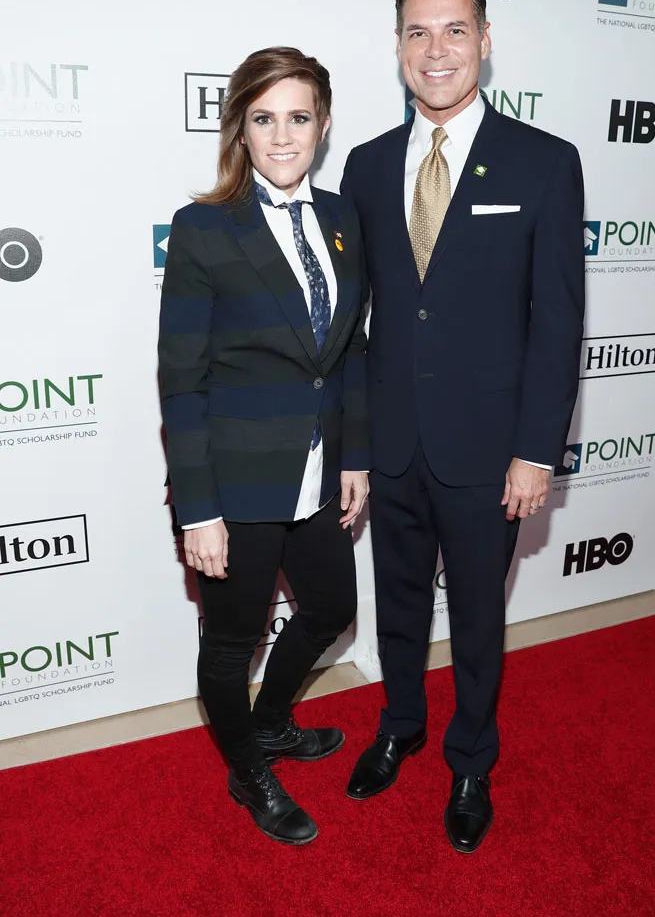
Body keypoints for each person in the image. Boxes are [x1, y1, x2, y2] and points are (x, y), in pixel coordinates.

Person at [342, 0, 585, 853]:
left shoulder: (545, 161)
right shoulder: (367, 166)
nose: (435, 50)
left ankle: (472, 759)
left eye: (453, 30)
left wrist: (537, 450)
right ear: (398, 46)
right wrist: (353, 445)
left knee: (479, 617)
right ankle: (400, 724)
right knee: (398, 602)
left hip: (490, 449)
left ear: (485, 38)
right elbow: (356, 322)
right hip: (394, 439)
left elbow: (557, 322)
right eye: (418, 32)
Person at [158, 47, 369, 847]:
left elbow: (348, 351)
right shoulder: (204, 228)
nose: (283, 136)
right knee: (231, 642)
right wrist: (199, 509)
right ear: (240, 130)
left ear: (322, 124)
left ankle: (272, 721)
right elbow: (182, 379)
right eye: (264, 118)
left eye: (299, 117)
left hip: (319, 472)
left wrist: (355, 455)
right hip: (236, 485)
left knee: (332, 610)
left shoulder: (344, 219)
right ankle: (248, 770)